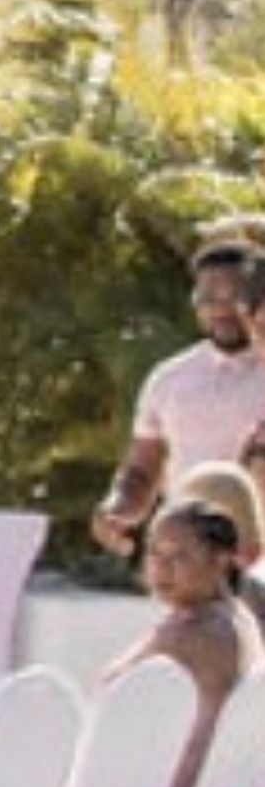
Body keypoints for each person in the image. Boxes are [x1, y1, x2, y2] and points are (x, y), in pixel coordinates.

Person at [93, 232, 265, 556]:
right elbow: (142, 470)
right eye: (208, 296)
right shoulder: (171, 379)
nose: (221, 308)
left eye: (235, 295)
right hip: (191, 559)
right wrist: (117, 507)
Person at [128, 464, 265, 787]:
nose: (161, 570)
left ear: (221, 559)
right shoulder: (239, 618)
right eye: (154, 554)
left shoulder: (193, 635)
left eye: (179, 556)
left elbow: (113, 699)